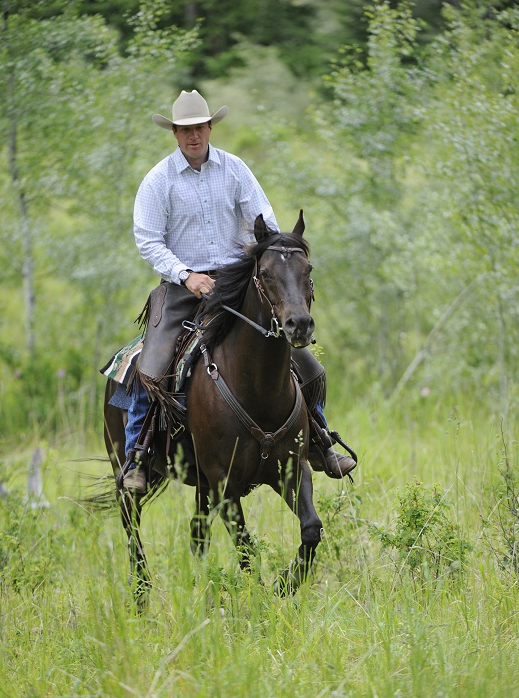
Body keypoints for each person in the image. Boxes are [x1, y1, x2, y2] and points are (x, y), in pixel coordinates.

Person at [123, 89, 356, 494]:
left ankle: (318, 439)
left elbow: (262, 220)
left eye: (199, 127)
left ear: (210, 127)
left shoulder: (234, 169)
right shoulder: (158, 180)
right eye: (185, 129)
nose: (193, 135)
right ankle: (138, 457)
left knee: (310, 367)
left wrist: (267, 260)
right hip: (182, 286)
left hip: (237, 282)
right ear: (175, 133)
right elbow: (147, 240)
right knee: (152, 365)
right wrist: (185, 274)